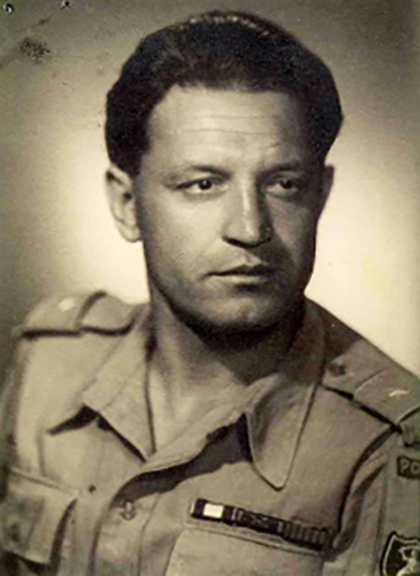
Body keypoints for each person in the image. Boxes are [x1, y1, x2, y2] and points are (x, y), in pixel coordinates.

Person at [0, 10, 419, 576]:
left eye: (284, 184)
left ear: (320, 196)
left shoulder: (386, 446)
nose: (250, 227)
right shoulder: (49, 365)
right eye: (203, 184)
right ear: (127, 205)